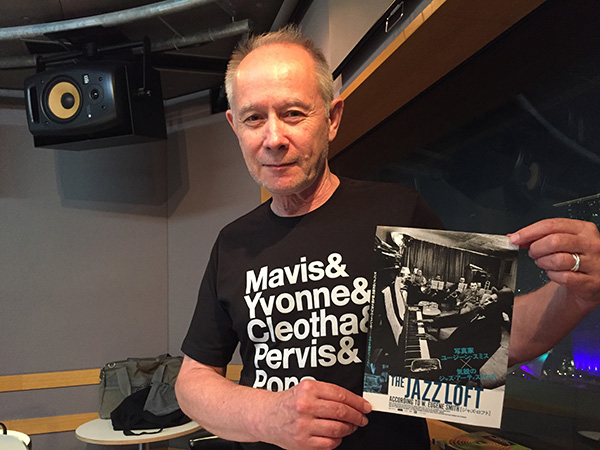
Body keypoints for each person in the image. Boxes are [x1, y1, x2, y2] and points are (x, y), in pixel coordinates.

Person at [175, 25, 600, 450]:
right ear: (235, 126)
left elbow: (491, 339)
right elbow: (193, 380)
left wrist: (576, 295)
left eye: (293, 114)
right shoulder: (232, 243)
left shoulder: (396, 211)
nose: (273, 139)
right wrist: (265, 415)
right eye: (254, 118)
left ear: (332, 119)